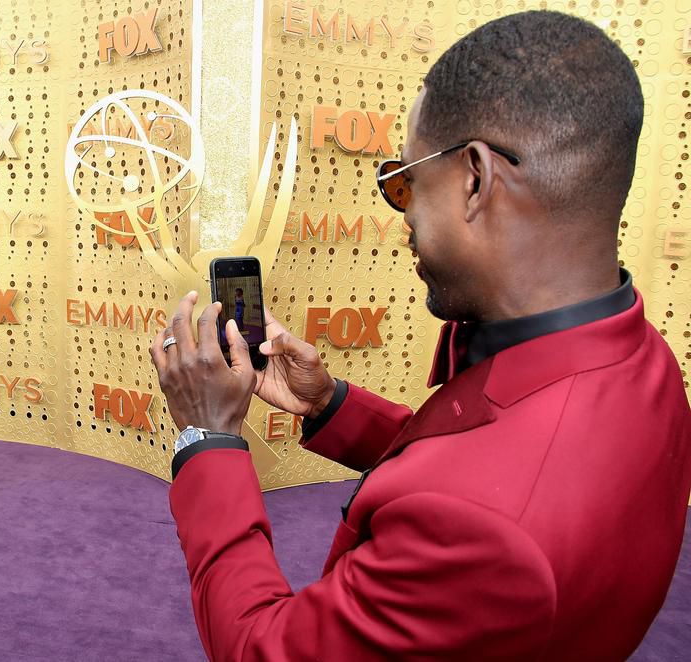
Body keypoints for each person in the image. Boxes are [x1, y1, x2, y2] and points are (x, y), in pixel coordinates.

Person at [149, 11, 691, 661]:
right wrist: (329, 405)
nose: (400, 215)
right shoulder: (643, 360)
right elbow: (485, 455)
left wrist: (207, 437)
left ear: (473, 179)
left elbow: (263, 649)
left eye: (404, 182)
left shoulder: (488, 537)